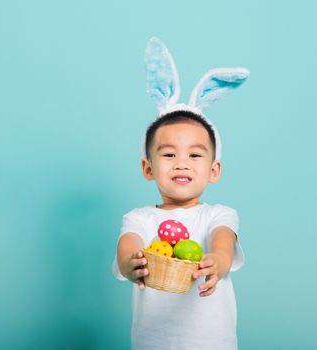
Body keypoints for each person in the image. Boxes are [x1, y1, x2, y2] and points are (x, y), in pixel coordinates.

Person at [111, 37, 249, 349]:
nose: (181, 164)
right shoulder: (140, 218)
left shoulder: (219, 215)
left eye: (195, 155)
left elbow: (223, 241)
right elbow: (128, 245)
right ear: (148, 168)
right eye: (169, 155)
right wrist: (129, 263)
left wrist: (218, 260)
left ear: (214, 170)